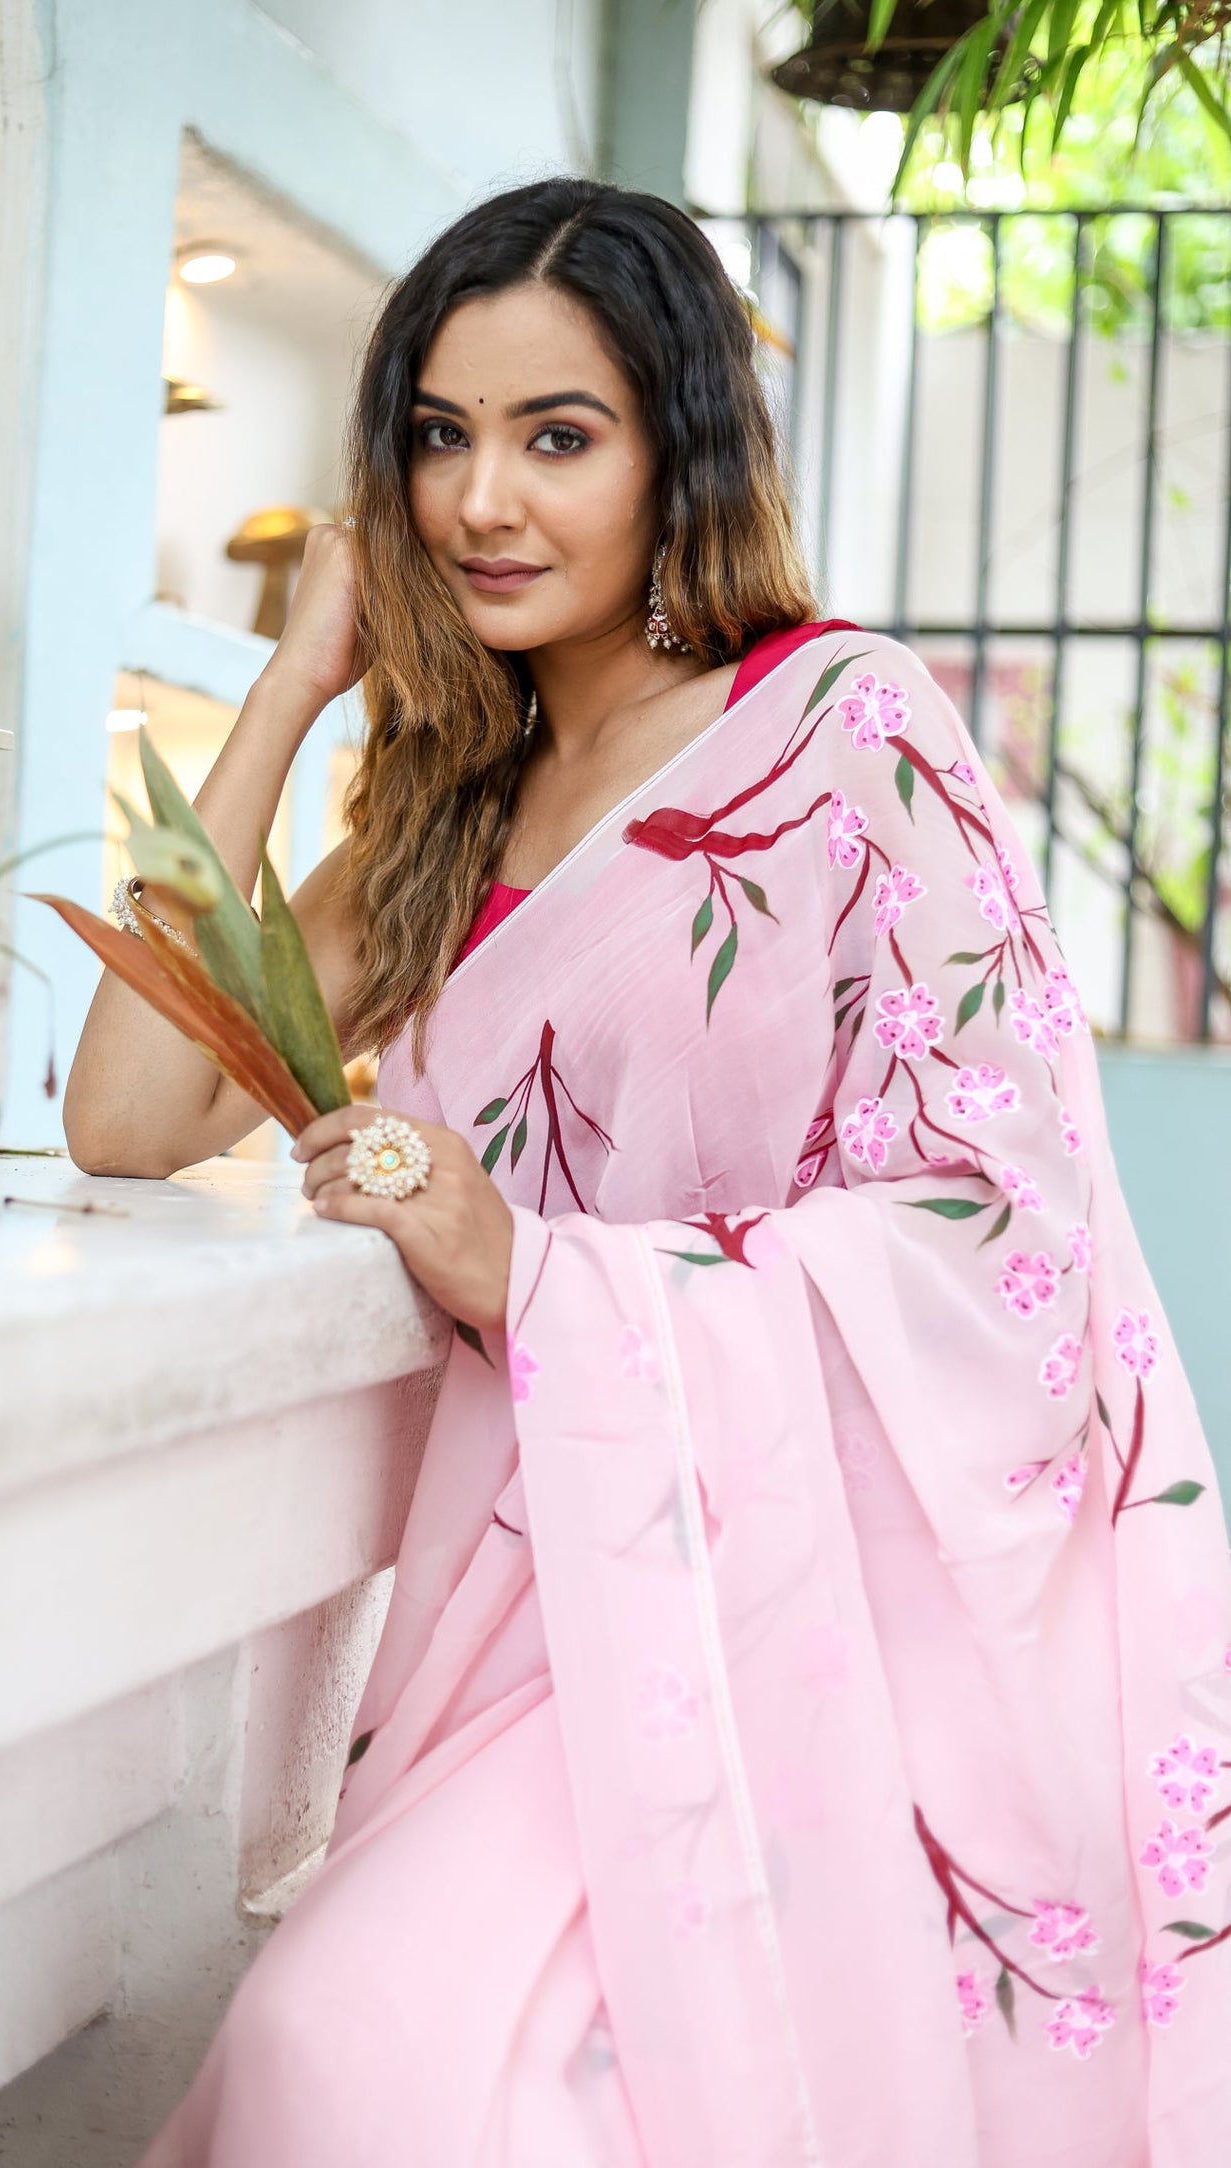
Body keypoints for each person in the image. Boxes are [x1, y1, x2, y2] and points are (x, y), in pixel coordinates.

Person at [65, 179, 1231, 2167]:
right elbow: (135, 1111)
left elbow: (999, 1229)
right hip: (520, 1620)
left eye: (559, 435)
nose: (482, 503)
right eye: (440, 435)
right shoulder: (453, 815)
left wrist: (531, 1265)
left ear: (682, 445)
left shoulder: (850, 738)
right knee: (345, 2058)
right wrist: (292, 686)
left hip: (778, 1604)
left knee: (382, 2066)